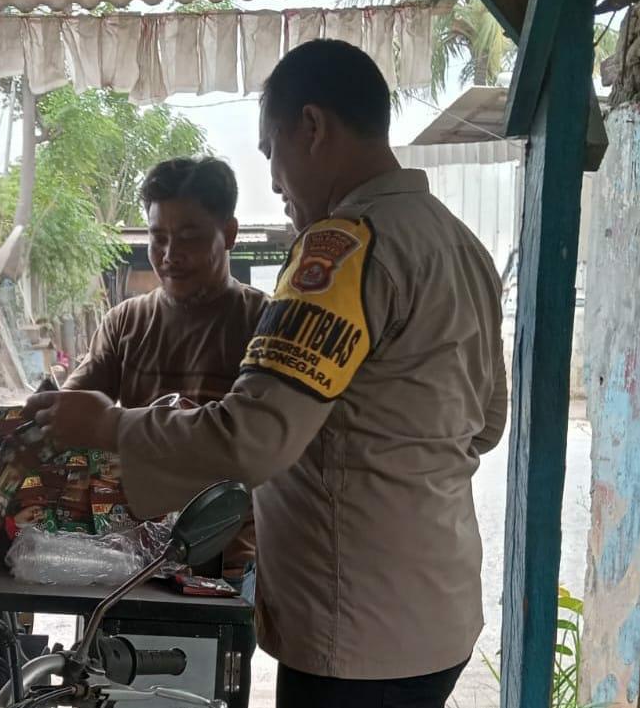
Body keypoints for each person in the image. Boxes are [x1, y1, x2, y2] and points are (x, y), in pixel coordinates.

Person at [26, 39, 508, 708]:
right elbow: (485, 424)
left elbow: (250, 438)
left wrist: (110, 424)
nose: (276, 180)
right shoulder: (459, 243)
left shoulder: (344, 249)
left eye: (270, 150)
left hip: (356, 625)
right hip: (437, 608)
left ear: (311, 127)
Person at [62, 156, 266, 594]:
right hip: (133, 562)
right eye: (158, 238)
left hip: (234, 562)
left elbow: (263, 443)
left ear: (229, 233)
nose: (170, 255)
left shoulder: (263, 324)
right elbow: (72, 416)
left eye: (189, 237)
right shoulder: (125, 324)